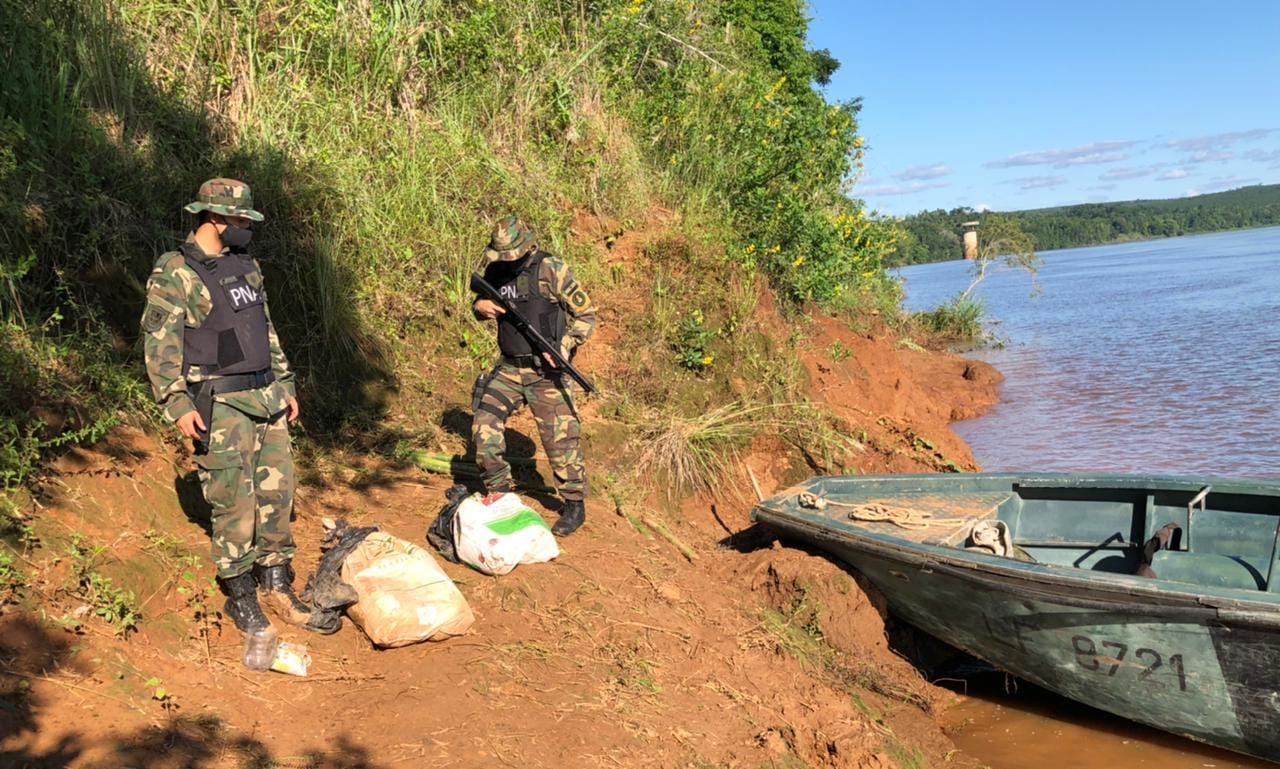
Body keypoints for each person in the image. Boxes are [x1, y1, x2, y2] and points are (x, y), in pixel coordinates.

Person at [140, 178, 335, 639]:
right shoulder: (175, 272)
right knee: (234, 502)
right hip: (220, 403)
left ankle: (276, 581)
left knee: (277, 494)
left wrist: (285, 382)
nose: (247, 227)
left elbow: (264, 330)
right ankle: (241, 593)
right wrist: (176, 402)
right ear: (214, 218)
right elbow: (159, 345)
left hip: (266, 396)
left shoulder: (245, 266)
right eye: (241, 220)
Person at [471, 215, 597, 536]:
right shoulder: (496, 271)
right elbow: (479, 302)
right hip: (510, 367)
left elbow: (586, 315)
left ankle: (573, 504)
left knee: (561, 439)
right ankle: (499, 491)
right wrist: (480, 306)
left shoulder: (551, 269)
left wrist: (565, 345)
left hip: (546, 371)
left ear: (528, 247)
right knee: (484, 423)